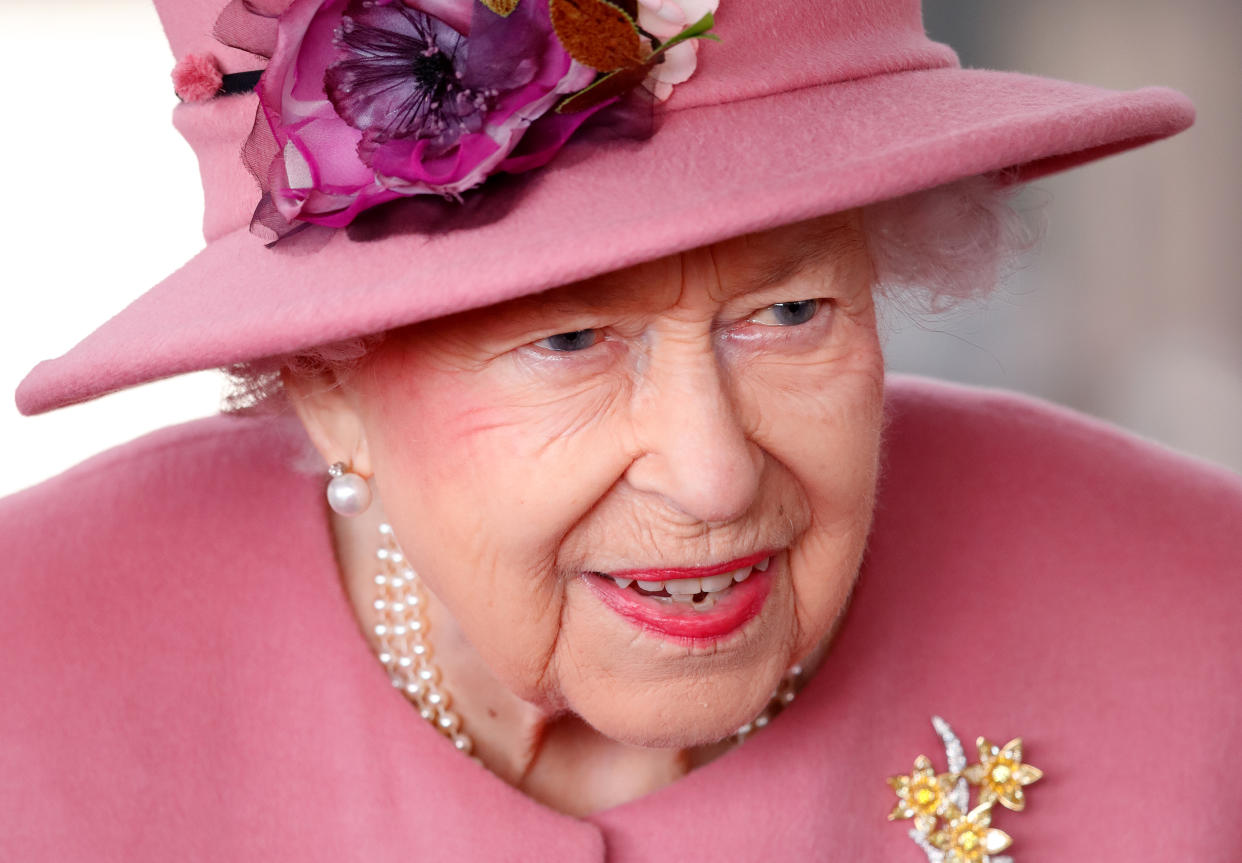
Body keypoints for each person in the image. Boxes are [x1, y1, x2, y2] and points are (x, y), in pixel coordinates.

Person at [3, 0, 1239, 860]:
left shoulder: (1203, 617)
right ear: (326, 381)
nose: (711, 475)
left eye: (792, 310)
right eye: (570, 340)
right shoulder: (34, 665)